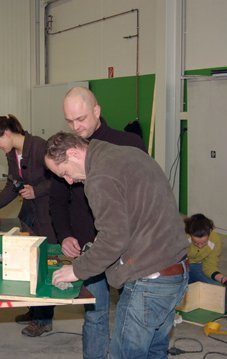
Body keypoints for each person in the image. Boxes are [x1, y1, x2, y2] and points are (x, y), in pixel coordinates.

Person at [45, 132, 189, 358]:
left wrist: (76, 269)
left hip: (148, 282)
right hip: (175, 273)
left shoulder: (99, 177)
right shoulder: (129, 154)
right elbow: (136, 217)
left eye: (65, 173)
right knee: (154, 351)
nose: (69, 181)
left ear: (73, 153)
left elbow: (114, 239)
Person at [50, 87, 146, 359]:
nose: (76, 127)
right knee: (95, 312)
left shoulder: (127, 144)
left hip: (128, 248)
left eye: (80, 119)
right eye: (69, 121)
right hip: (86, 247)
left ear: (97, 111)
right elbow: (57, 201)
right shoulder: (65, 150)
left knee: (135, 316)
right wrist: (65, 235)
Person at [0, 114, 57, 337]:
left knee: (44, 266)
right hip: (29, 215)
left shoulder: (39, 147)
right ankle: (34, 310)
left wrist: (37, 190)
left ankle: (44, 320)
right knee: (29, 264)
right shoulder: (11, 153)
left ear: (7, 133)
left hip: (47, 214)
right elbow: (13, 185)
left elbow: (59, 178)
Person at [185, 213, 227, 285]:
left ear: (210, 232)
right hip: (180, 266)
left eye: (204, 242)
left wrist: (222, 279)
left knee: (217, 287)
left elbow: (210, 265)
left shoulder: (215, 240)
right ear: (189, 234)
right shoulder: (182, 237)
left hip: (198, 266)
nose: (200, 246)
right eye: (195, 243)